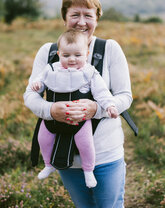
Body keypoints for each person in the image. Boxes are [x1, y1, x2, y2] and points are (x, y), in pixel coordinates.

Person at [24, 0, 133, 207]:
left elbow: (125, 96)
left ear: (97, 18)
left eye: (88, 15)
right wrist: (50, 111)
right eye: (75, 14)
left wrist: (96, 108)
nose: (81, 22)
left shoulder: (110, 49)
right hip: (65, 155)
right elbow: (30, 94)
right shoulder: (49, 51)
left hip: (106, 155)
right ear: (65, 17)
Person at [30, 29, 118, 188]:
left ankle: (88, 171)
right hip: (53, 118)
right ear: (59, 53)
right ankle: (48, 164)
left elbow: (102, 92)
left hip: (80, 119)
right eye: (66, 55)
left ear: (86, 53)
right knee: (43, 138)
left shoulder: (89, 72)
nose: (72, 59)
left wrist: (109, 106)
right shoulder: (51, 69)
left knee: (85, 144)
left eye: (77, 55)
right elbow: (40, 81)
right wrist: (37, 85)